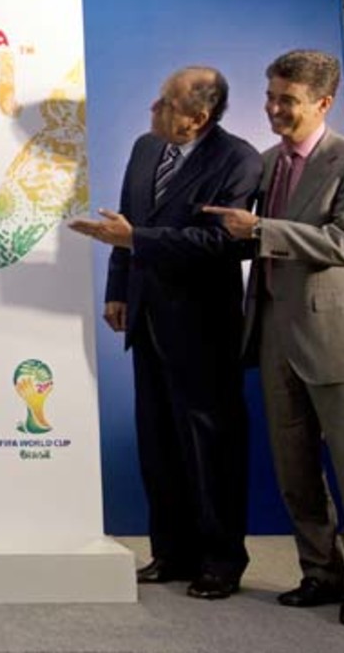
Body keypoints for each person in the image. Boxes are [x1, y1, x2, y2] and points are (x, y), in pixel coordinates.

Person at [206, 50, 344, 627]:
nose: (274, 109)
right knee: (295, 470)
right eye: (270, 97)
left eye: (287, 100)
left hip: (336, 338)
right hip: (271, 335)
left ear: (323, 103)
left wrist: (260, 228)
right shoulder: (264, 164)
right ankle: (320, 573)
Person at [69, 66, 260, 599]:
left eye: (166, 103)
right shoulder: (145, 148)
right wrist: (118, 289)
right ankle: (171, 553)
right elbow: (125, 225)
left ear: (197, 117)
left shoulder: (239, 160)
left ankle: (221, 560)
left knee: (210, 446)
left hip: (203, 326)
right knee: (158, 442)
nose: (154, 109)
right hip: (146, 317)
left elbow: (223, 243)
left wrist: (137, 240)